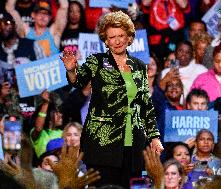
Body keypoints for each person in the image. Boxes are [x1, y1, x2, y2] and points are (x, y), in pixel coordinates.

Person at [61, 11, 163, 188]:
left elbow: (146, 104)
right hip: (102, 143)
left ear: (129, 37)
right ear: (106, 40)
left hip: (133, 144)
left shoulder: (139, 65)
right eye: (112, 37)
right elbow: (78, 82)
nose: (117, 40)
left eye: (121, 36)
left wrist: (154, 137)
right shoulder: (96, 62)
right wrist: (71, 70)